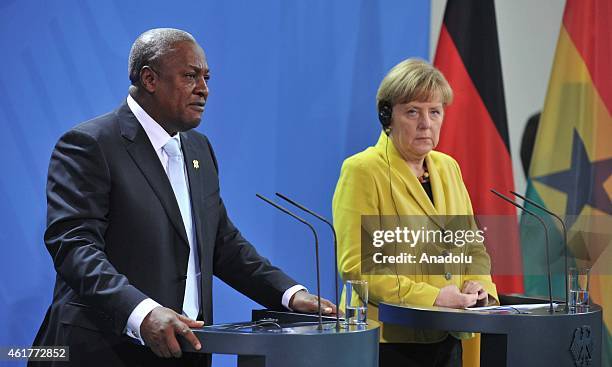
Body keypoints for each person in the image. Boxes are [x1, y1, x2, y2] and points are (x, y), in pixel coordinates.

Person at [30, 28, 335, 367]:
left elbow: (222, 244)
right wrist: (143, 313)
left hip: (186, 348)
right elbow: (75, 247)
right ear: (149, 79)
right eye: (190, 76)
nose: (204, 89)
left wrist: (290, 295)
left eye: (206, 77)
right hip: (104, 349)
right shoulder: (91, 145)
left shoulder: (198, 148)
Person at [332, 58, 498, 367]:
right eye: (412, 112)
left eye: (434, 112)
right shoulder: (363, 171)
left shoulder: (449, 168)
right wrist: (434, 299)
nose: (426, 123)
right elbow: (359, 268)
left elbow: (472, 246)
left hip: (450, 335)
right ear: (387, 116)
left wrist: (479, 288)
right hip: (388, 342)